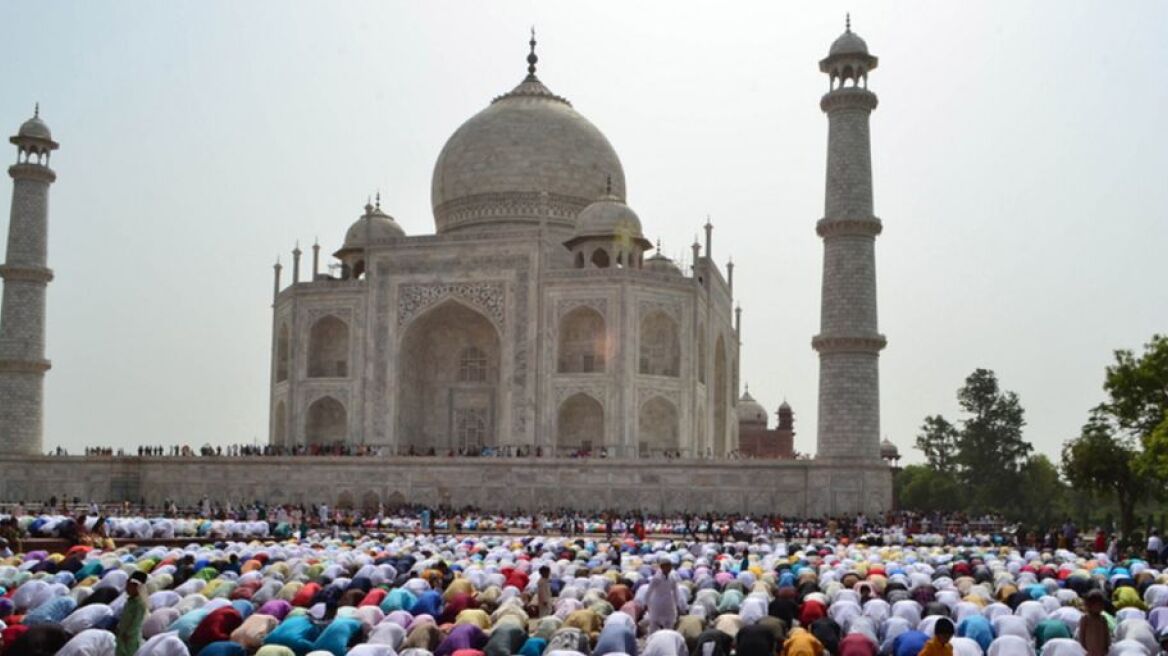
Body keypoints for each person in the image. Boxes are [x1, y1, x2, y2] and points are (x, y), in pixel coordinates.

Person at [116, 570, 148, 656]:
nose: (126, 588)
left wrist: (127, 634)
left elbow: (136, 623)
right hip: (122, 636)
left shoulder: (140, 604)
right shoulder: (130, 601)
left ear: (137, 587)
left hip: (130, 639)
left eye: (129, 586)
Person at [645, 559, 684, 631]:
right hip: (657, 604)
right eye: (667, 566)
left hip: (668, 603)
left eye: (670, 566)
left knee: (669, 623)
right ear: (662, 567)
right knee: (654, 623)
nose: (669, 568)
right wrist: (647, 605)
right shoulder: (656, 578)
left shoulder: (672, 577)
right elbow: (649, 592)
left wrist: (677, 604)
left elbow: (676, 592)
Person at [1078, 589, 1110, 656]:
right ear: (1089, 605)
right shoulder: (1086, 619)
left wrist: (1106, 648)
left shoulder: (1103, 619)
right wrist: (1084, 650)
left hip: (1101, 652)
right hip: (1089, 651)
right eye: (1098, 604)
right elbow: (1081, 636)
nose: (1101, 606)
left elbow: (1106, 635)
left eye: (1102, 604)